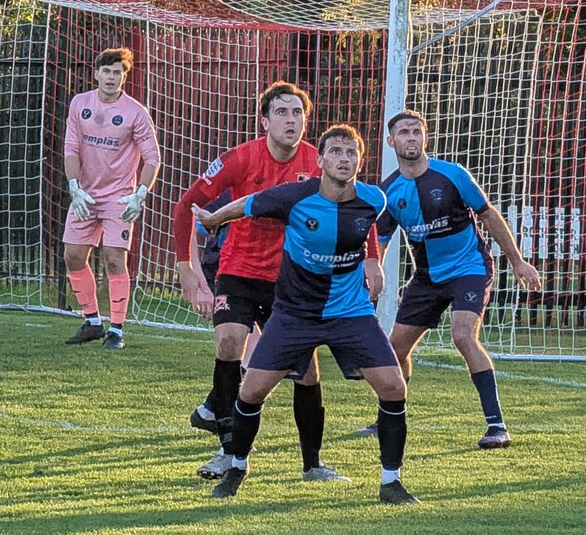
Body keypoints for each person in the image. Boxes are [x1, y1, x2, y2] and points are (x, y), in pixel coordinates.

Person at [193, 125, 418, 505]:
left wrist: (372, 260)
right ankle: (237, 469)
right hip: (295, 313)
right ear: (321, 160)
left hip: (350, 313)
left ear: (360, 161)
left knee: (394, 387)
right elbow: (246, 204)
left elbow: (367, 228)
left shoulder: (374, 199)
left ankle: (391, 483)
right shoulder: (294, 197)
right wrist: (214, 220)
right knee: (251, 392)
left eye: (351, 153)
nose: (344, 158)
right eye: (336, 152)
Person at [171, 81, 347, 483]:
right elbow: (185, 206)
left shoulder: (318, 162)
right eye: (281, 112)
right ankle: (228, 454)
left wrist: (369, 260)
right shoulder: (240, 158)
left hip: (291, 279)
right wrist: (186, 268)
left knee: (306, 372)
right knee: (229, 342)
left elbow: (354, 203)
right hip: (239, 270)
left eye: (297, 113)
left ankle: (313, 465)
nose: (291, 120)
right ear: (265, 121)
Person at [358, 110, 541, 448]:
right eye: (403, 132)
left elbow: (488, 215)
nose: (411, 137)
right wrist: (373, 274)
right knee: (395, 348)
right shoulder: (389, 191)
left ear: (425, 137)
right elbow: (379, 243)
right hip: (427, 277)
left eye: (416, 131)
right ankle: (389, 418)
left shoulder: (452, 174)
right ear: (391, 142)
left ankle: (497, 426)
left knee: (462, 335)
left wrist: (517, 261)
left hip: (469, 267)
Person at [62, 47, 160, 351]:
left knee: (114, 259)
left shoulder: (135, 112)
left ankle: (116, 330)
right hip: (85, 195)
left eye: (118, 72)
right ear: (96, 74)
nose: (111, 77)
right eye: (106, 71)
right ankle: (92, 322)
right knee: (73, 256)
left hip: (119, 199)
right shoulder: (80, 104)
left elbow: (152, 157)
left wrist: (140, 194)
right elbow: (71, 148)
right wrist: (74, 186)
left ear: (124, 77)